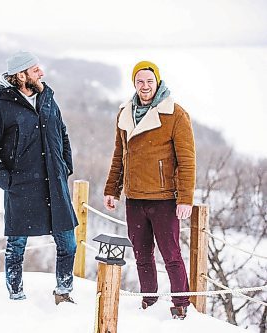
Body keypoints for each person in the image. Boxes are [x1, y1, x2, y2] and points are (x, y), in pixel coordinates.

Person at [0, 51, 78, 304]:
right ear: (21, 75)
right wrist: (7, 181)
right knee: (16, 246)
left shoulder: (47, 99)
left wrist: (65, 167)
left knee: (69, 244)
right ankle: (16, 293)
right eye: (34, 70)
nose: (41, 73)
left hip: (55, 183)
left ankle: (63, 292)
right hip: (22, 187)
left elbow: (62, 132)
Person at [103, 61, 196, 319]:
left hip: (164, 198)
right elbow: (119, 154)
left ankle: (181, 305)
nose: (145, 86)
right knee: (142, 254)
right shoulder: (124, 112)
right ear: (134, 83)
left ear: (158, 82)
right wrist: (112, 189)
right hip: (134, 199)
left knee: (171, 255)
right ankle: (149, 301)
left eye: (149, 81)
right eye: (140, 82)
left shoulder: (175, 114)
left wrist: (185, 198)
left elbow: (187, 160)